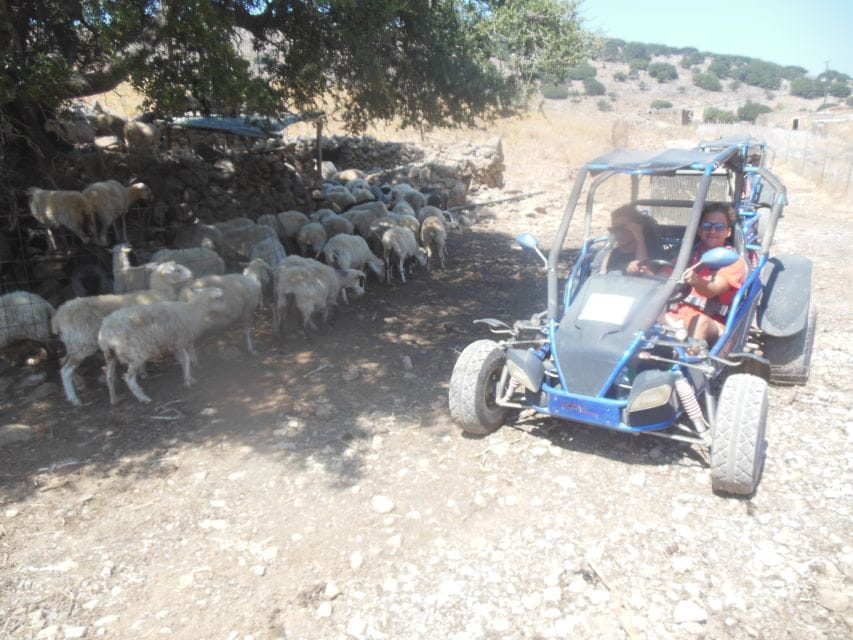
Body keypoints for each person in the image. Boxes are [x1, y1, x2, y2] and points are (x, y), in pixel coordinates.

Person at [666, 203, 746, 346]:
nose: (713, 231)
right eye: (707, 226)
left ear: (728, 232)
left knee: (699, 322)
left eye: (719, 227)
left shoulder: (732, 261)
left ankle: (689, 365)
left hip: (711, 322)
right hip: (675, 317)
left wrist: (696, 280)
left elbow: (713, 289)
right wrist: (645, 270)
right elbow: (661, 276)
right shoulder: (688, 256)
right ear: (699, 230)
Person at [590, 204, 657, 274]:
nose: (619, 233)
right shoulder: (603, 257)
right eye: (615, 229)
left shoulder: (654, 256)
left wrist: (640, 239)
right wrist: (626, 268)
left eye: (624, 228)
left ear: (637, 228)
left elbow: (649, 276)